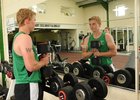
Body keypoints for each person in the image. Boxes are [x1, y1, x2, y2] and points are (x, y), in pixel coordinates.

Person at [12, 8, 50, 100]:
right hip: (29, 85)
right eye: (34, 20)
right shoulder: (25, 38)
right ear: (27, 21)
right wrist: (43, 62)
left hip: (24, 85)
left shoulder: (18, 37)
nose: (35, 23)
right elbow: (31, 66)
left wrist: (37, 58)